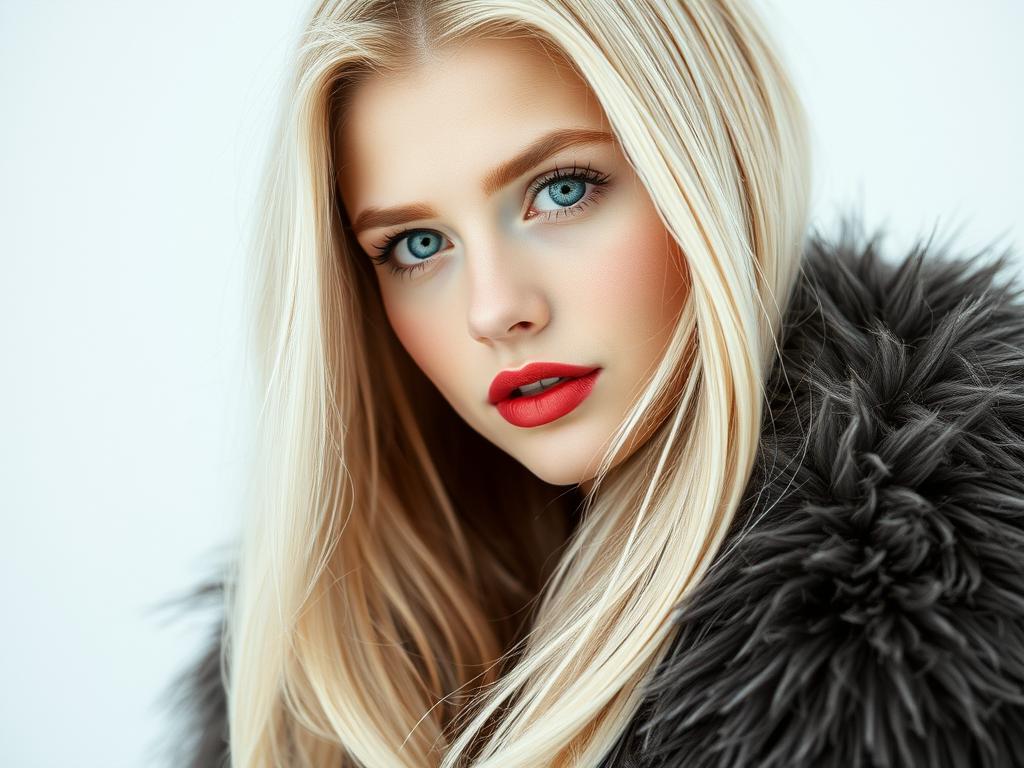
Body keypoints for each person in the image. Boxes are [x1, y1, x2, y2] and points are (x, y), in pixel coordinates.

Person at [160, 1, 1024, 766]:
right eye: (417, 246)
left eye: (562, 189)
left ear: (712, 164)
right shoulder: (315, 686)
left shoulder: (914, 637)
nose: (495, 310)